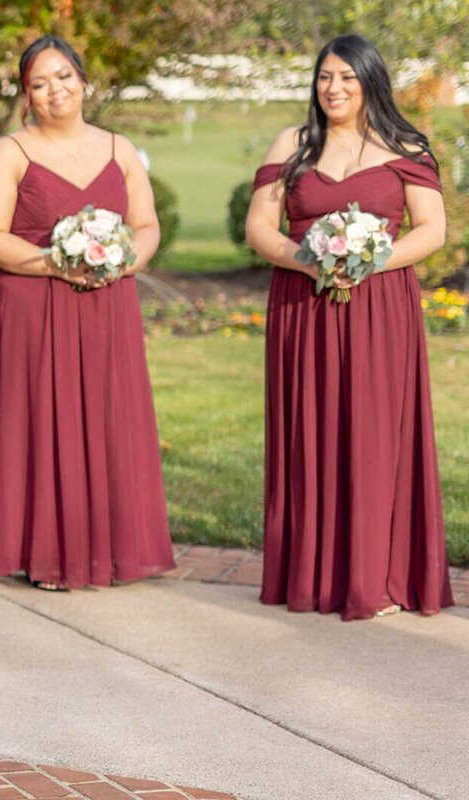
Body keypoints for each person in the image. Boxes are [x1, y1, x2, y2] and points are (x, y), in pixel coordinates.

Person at [244, 34, 452, 620]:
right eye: (324, 78)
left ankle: (377, 578)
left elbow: (430, 230)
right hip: (301, 305)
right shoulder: (294, 143)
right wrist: (313, 261)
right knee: (310, 430)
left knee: (375, 435)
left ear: (370, 82)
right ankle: (311, 577)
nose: (333, 89)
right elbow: (260, 225)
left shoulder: (403, 143)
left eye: (347, 78)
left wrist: (363, 261)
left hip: (379, 307)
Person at [0, 36, 176, 590]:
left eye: (63, 77)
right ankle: (50, 555)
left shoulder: (118, 148)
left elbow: (147, 225)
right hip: (33, 304)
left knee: (110, 418)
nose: (54, 91)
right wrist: (56, 264)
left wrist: (125, 263)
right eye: (38, 83)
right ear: (26, 95)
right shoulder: (11, 151)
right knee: (42, 420)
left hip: (108, 303)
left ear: (83, 80)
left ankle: (116, 550)